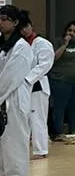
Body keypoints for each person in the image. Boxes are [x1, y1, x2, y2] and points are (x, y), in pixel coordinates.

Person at [0, 5, 33, 176]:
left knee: (14, 137)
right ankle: (3, 174)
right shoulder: (2, 45)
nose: (1, 22)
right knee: (2, 139)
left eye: (4, 19)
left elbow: (10, 77)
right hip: (2, 96)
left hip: (13, 96)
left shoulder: (22, 47)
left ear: (15, 22)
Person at [21, 16, 54, 159]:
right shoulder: (21, 44)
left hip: (38, 85)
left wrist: (27, 78)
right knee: (26, 119)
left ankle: (40, 150)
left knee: (37, 119)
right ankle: (27, 149)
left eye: (25, 26)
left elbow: (45, 65)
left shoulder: (42, 43)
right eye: (21, 28)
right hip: (24, 86)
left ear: (30, 25)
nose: (24, 30)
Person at [48, 20, 75, 140]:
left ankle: (73, 132)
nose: (72, 33)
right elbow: (53, 58)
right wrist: (65, 44)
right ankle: (58, 133)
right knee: (60, 107)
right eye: (70, 30)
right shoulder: (58, 41)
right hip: (60, 81)